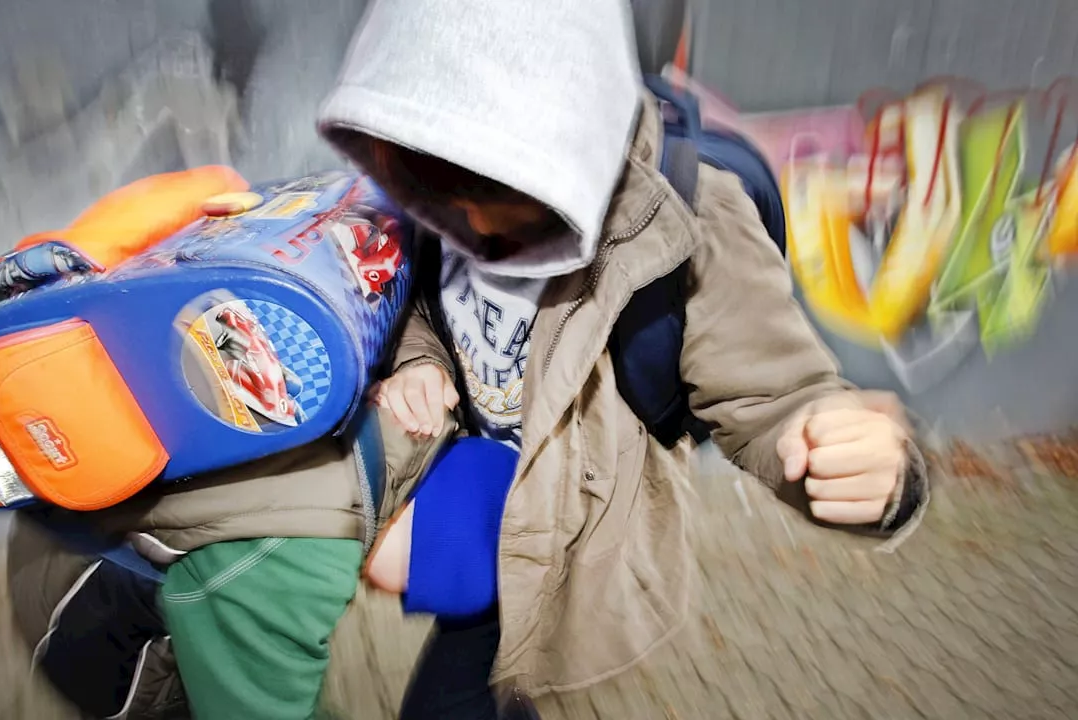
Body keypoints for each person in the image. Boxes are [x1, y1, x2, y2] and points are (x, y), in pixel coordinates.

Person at [316, 0, 929, 717]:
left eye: (507, 202)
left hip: (564, 544)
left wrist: (872, 471)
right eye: (447, 197)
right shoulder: (426, 170)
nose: (475, 228)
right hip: (464, 491)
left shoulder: (691, 216)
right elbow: (416, 300)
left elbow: (777, 399)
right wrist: (422, 364)